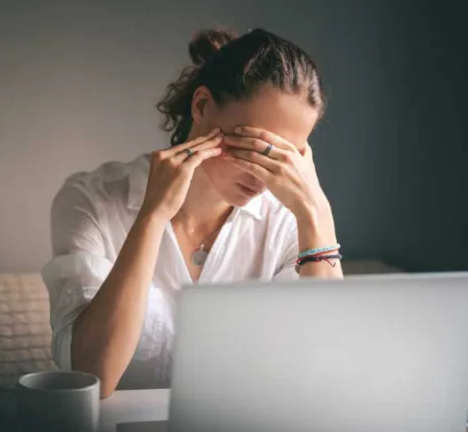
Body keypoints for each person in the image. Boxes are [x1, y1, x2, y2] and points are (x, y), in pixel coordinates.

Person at [42, 27, 343, 398]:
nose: (265, 180)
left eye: (284, 159)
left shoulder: (289, 221)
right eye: (255, 148)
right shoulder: (92, 200)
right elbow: (93, 377)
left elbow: (326, 376)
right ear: (201, 107)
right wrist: (152, 217)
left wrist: (317, 212)